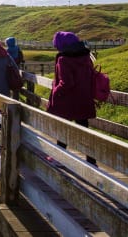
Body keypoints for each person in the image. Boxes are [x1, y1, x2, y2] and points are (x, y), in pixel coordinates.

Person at [47, 31, 97, 165]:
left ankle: (59, 158)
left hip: (68, 101)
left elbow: (67, 83)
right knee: (84, 131)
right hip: (83, 99)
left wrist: (56, 92)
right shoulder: (86, 56)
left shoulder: (64, 59)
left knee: (63, 129)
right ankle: (92, 162)